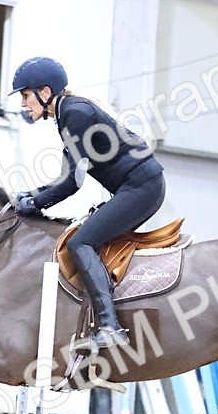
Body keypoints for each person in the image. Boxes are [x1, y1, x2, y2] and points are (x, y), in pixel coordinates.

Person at [10, 56, 166, 350]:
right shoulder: (67, 113)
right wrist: (32, 195)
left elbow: (73, 183)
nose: (23, 104)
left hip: (142, 187)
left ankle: (110, 327)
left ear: (45, 93)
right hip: (138, 186)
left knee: (80, 243)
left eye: (25, 95)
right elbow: (66, 175)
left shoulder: (75, 114)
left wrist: (36, 204)